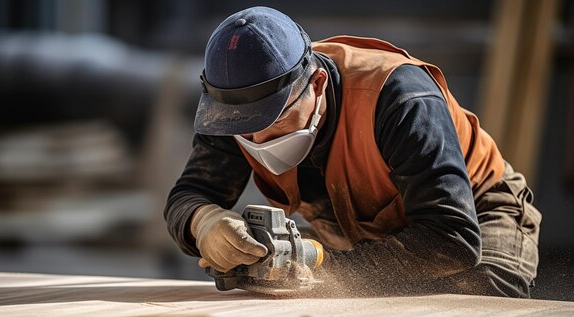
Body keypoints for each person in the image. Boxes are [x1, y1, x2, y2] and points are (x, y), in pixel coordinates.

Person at [164, 6, 542, 297]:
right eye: (245, 127)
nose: (258, 140)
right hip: (356, 229)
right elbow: (189, 194)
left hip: (476, 214)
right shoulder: (233, 114)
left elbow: (452, 240)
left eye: (274, 119)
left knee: (470, 312)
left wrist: (317, 260)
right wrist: (204, 222)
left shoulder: (399, 97)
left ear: (317, 82)